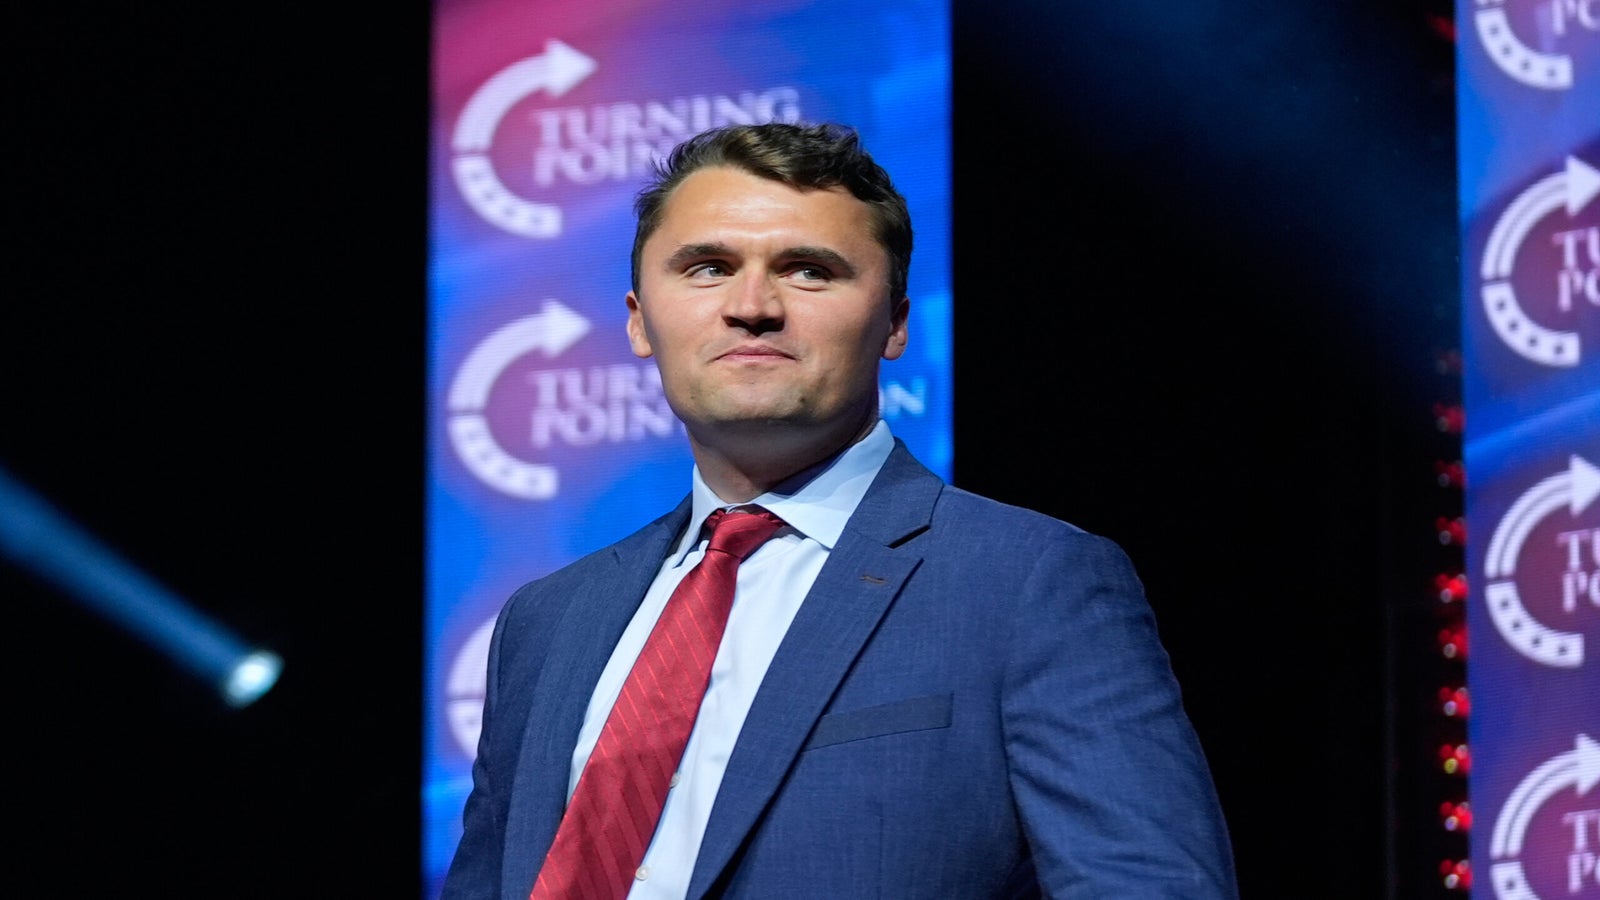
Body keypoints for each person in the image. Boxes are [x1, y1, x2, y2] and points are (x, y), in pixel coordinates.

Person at [441, 121, 1239, 899]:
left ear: (894, 323)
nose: (753, 306)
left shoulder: (1027, 583)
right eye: (708, 267)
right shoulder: (548, 621)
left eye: (809, 271)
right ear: (639, 319)